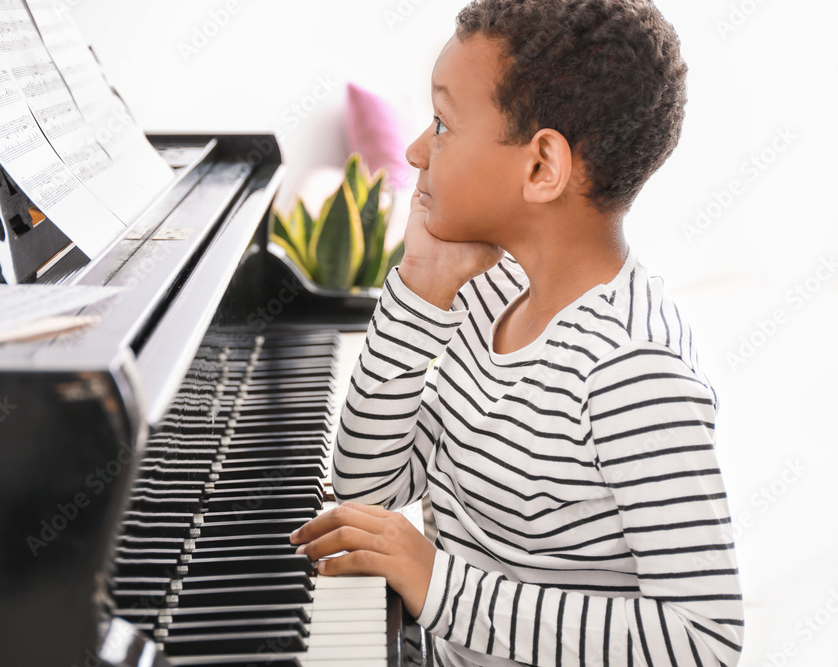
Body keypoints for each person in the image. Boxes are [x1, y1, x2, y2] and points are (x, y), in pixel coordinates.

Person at [289, 0, 744, 664]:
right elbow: (369, 488)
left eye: (443, 124)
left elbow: (703, 639)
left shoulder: (634, 367)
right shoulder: (483, 293)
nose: (417, 149)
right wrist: (420, 285)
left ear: (541, 168)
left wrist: (438, 583)